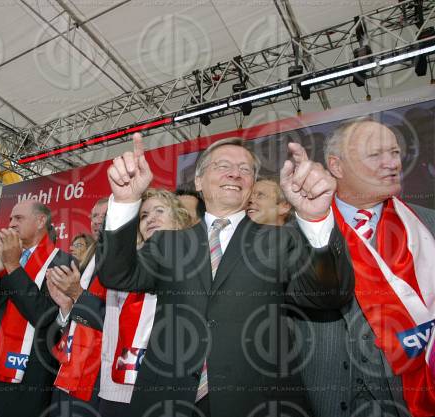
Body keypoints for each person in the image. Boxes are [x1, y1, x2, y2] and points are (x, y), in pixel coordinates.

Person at [97, 133, 352, 417]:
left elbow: (328, 296)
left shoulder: (280, 240)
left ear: (252, 185)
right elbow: (115, 275)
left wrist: (315, 218)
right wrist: (125, 201)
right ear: (198, 181)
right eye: (222, 166)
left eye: (245, 170)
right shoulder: (167, 243)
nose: (234, 173)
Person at [294, 117, 435, 417]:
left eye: (395, 152)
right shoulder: (295, 234)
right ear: (337, 166)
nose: (392, 163)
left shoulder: (428, 223)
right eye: (375, 155)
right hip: (343, 399)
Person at [0, 200, 74, 417]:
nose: (11, 223)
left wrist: (13, 266)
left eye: (19, 218)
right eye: (10, 219)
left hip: (28, 374)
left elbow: (43, 316)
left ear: (40, 221)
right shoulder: (2, 254)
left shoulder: (62, 262)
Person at [99, 188, 192, 417]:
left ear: (178, 217)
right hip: (116, 388)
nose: (151, 218)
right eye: (143, 215)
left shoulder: (195, 262)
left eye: (159, 210)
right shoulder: (125, 265)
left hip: (167, 389)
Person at [47, 197, 109, 417]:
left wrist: (76, 296)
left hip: (97, 374)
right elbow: (75, 311)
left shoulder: (124, 260)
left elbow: (114, 320)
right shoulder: (87, 259)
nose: (98, 221)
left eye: (105, 214)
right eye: (95, 216)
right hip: (68, 365)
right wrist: (65, 307)